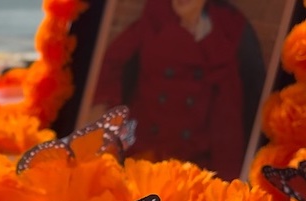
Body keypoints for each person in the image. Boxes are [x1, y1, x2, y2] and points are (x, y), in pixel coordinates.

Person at [89, 0, 265, 179]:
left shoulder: (227, 34)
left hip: (191, 166)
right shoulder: (154, 19)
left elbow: (227, 120)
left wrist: (227, 182)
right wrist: (106, 106)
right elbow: (110, 62)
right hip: (141, 153)